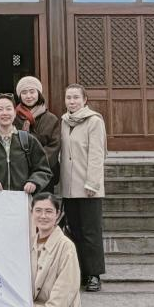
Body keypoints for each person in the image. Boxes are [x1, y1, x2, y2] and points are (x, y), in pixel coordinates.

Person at [0, 192, 81, 307]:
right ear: (31, 213)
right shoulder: (30, 242)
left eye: (49, 211)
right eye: (38, 211)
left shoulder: (66, 246)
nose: (43, 216)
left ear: (58, 215)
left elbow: (65, 289)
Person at [61, 84, 107, 293]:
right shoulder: (64, 121)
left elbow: (97, 153)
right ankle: (80, 272)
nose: (72, 101)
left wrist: (92, 182)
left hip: (88, 187)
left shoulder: (94, 121)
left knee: (91, 232)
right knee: (74, 231)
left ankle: (94, 274)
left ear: (84, 100)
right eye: (68, 97)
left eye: (76, 97)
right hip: (69, 187)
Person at [0, 93, 51, 194]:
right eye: (0, 109)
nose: (4, 113)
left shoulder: (28, 140)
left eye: (8, 109)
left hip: (23, 198)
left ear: (15, 112)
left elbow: (43, 169)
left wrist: (34, 182)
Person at [14, 76, 60, 192]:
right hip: (18, 173)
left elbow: (54, 147)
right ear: (19, 96)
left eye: (32, 91)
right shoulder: (13, 118)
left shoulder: (51, 119)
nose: (28, 96)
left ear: (38, 93)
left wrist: (36, 164)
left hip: (44, 174)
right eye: (24, 92)